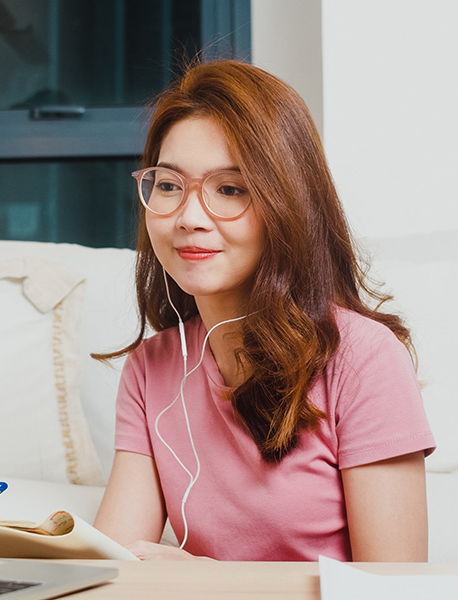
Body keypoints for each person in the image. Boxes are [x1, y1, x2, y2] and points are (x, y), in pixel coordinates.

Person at [92, 59, 435, 562]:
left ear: (289, 203)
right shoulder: (152, 367)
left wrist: (210, 586)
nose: (189, 218)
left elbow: (391, 591)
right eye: (168, 185)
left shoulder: (363, 359)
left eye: (230, 189)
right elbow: (114, 564)